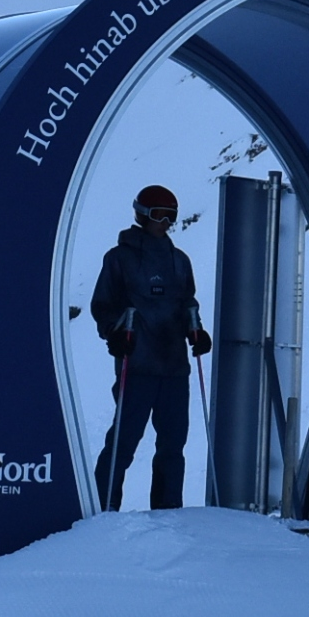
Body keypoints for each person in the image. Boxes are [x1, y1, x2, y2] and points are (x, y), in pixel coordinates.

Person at [90, 185, 212, 511]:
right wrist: (114, 333)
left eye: (171, 216)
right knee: (124, 440)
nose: (166, 223)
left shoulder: (179, 261)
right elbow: (103, 305)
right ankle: (101, 507)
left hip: (174, 366)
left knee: (173, 443)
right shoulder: (119, 258)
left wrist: (196, 331)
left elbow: (187, 303)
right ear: (142, 215)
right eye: (159, 215)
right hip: (137, 363)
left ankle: (168, 510)